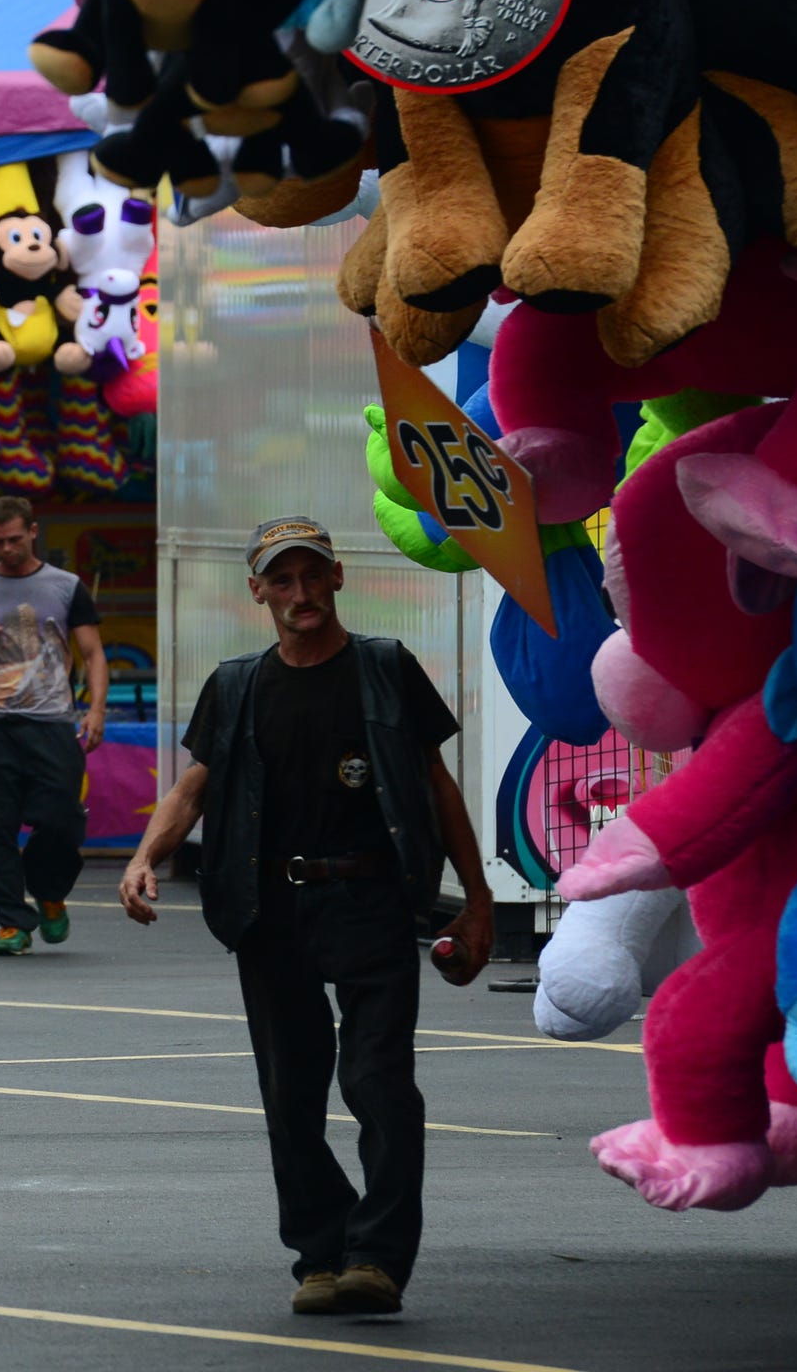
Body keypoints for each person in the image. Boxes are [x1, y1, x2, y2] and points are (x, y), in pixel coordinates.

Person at [116, 516, 495, 1320]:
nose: (300, 593)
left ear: (337, 578)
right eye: (282, 580)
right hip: (270, 910)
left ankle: (377, 1259)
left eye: (312, 575)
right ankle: (321, 1255)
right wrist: (145, 856)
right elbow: (192, 788)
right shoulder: (237, 685)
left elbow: (436, 785)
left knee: (377, 1084)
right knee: (291, 1095)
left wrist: (479, 900)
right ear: (257, 591)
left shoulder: (385, 669)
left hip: (371, 903)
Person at [0, 496, 110, 956]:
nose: (7, 549)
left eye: (14, 539)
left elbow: (93, 653)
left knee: (61, 821)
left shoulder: (67, 586)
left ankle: (49, 892)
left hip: (51, 722)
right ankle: (11, 920)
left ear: (33, 531)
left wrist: (96, 710)